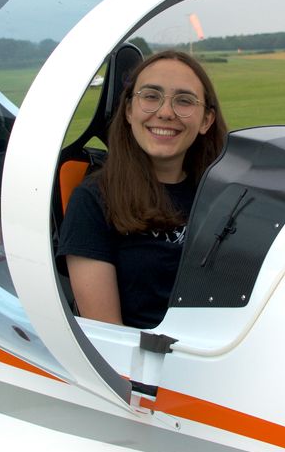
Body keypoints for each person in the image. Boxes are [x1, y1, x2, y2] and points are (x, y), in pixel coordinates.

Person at [57, 50, 227, 329]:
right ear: (128, 111)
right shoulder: (93, 200)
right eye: (150, 96)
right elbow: (108, 334)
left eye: (184, 101)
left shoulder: (227, 193)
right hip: (147, 367)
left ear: (206, 120)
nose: (165, 113)